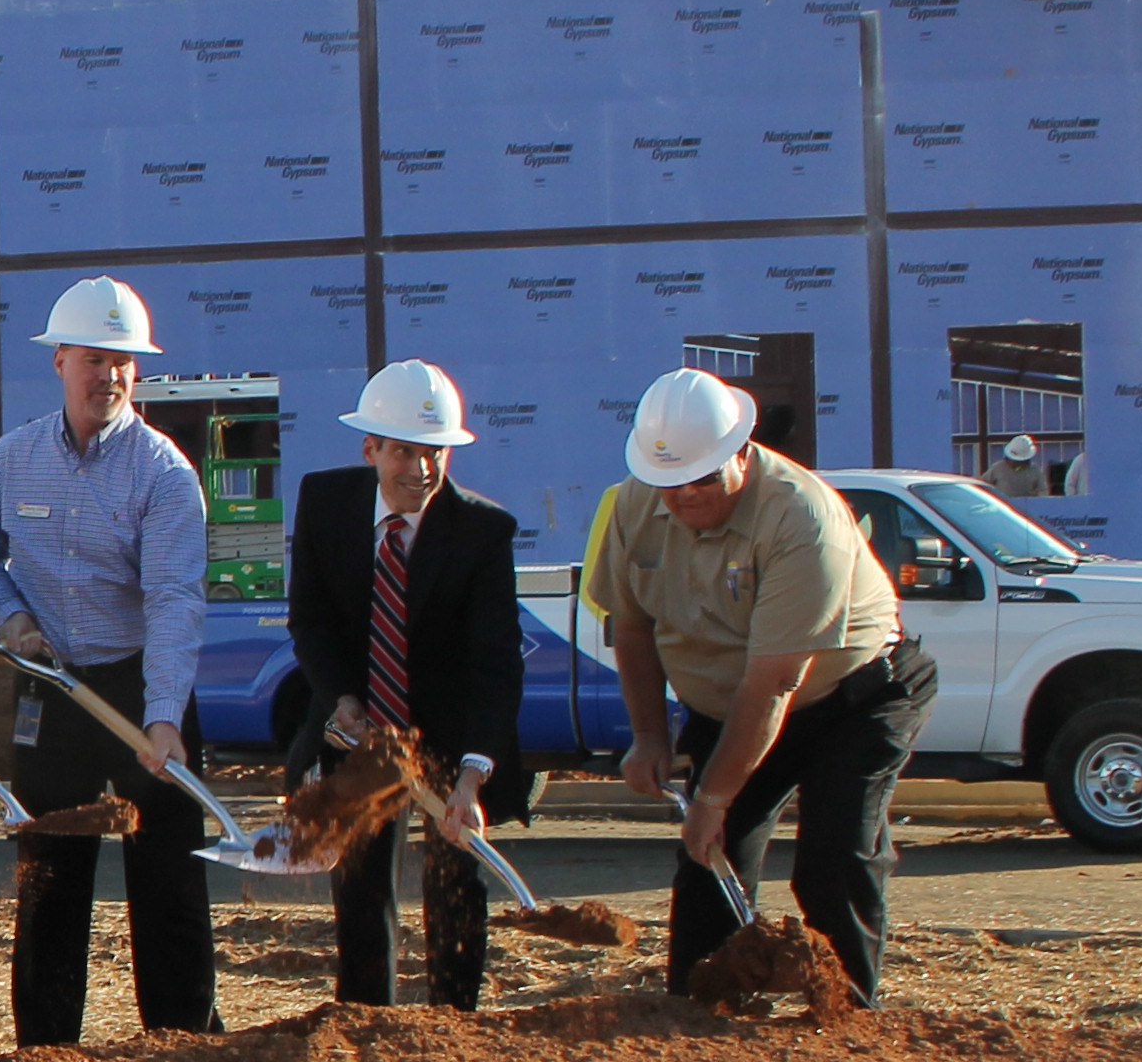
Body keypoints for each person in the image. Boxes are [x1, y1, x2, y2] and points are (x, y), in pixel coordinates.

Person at [596, 366, 935, 1004]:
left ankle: (845, 1019)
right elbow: (633, 628)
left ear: (742, 453)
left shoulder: (802, 518)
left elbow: (776, 680)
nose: (686, 495)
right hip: (732, 706)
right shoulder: (634, 504)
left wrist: (713, 796)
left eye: (702, 477)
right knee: (707, 860)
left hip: (849, 699)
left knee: (833, 862)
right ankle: (703, 1014)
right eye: (670, 481)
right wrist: (647, 735)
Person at [0, 275, 219, 1043]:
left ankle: (179, 1041)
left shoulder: (164, 475)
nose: (109, 375)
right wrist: (10, 617)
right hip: (49, 686)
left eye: (124, 362)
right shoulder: (15, 459)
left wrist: (164, 716)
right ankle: (45, 1047)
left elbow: (174, 600)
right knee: (50, 866)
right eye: (94, 358)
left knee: (168, 870)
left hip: (140, 685)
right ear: (60, 360)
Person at [284, 359, 526, 1011]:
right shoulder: (326, 503)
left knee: (454, 875)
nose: (419, 470)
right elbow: (309, 620)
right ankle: (368, 1022)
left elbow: (495, 661)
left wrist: (472, 778)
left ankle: (454, 1022)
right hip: (355, 722)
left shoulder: (481, 531)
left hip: (446, 726)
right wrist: (342, 702)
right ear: (372, 449)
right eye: (403, 453)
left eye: (434, 453)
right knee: (361, 880)